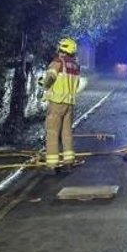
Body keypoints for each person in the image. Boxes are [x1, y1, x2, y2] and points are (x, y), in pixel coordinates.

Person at [38, 36, 85, 166]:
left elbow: (50, 78)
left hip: (57, 103)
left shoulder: (57, 62)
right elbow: (76, 85)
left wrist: (44, 84)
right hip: (69, 104)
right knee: (67, 133)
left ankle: (52, 165)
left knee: (52, 133)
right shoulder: (75, 66)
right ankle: (69, 161)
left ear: (61, 49)